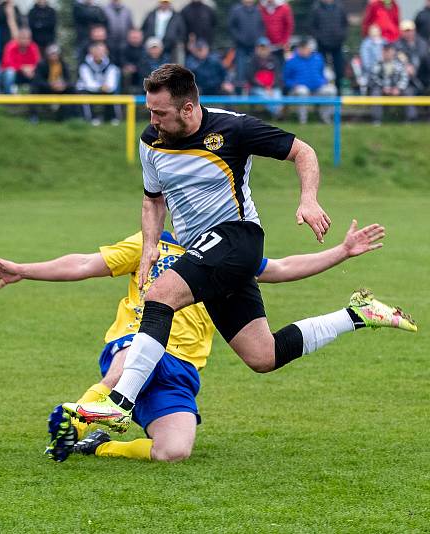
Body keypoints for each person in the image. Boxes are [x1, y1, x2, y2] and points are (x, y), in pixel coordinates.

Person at [58, 64, 410, 433]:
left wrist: (308, 199)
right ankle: (359, 314)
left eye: (160, 112)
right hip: (205, 252)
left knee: (160, 295)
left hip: (238, 236)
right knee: (263, 355)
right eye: (149, 111)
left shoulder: (233, 128)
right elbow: (152, 201)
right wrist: (149, 245)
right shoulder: (151, 142)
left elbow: (302, 151)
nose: (153, 119)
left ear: (189, 109)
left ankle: (120, 402)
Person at [0, 221, 408, 463]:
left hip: (181, 367)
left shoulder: (227, 258)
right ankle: (77, 419)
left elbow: (282, 266)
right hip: (135, 341)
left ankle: (98, 441)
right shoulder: (152, 244)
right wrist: (26, 269)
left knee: (174, 452)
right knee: (127, 360)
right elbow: (84, 263)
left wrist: (342, 251)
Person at [283, 39, 337, 124]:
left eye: (306, 48)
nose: (305, 50)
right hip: (298, 90)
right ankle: (303, 120)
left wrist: (324, 81)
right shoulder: (292, 60)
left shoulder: (318, 58)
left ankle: (325, 117)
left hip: (317, 88)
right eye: (302, 48)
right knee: (302, 91)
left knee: (331, 90)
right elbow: (286, 79)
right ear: (299, 49)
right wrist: (294, 85)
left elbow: (322, 74)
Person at [77, 42, 121, 125]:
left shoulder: (111, 65)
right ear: (91, 51)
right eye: (96, 50)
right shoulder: (84, 65)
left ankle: (113, 118)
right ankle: (91, 118)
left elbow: (112, 84)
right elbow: (88, 83)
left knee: (112, 93)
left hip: (104, 89)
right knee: (84, 95)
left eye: (102, 51)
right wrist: (100, 87)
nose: (99, 53)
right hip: (87, 89)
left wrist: (105, 87)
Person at [310, 0, 349, 94]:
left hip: (337, 45)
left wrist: (341, 36)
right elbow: (311, 26)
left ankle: (338, 96)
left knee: (339, 70)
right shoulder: (316, 8)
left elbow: (345, 24)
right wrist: (320, 38)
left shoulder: (340, 7)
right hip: (322, 45)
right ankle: (320, 96)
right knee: (320, 71)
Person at [370, 42, 413, 123]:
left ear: (393, 52)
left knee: (408, 91)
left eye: (389, 51)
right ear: (382, 52)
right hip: (382, 89)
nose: (387, 53)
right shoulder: (378, 64)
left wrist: (398, 88)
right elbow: (374, 77)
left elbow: (405, 77)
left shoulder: (399, 64)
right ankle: (376, 119)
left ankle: (410, 119)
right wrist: (384, 87)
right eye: (385, 51)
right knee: (375, 92)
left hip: (397, 89)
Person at [228, 0, 265, 94]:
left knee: (254, 70)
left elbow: (262, 26)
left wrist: (258, 38)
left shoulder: (258, 10)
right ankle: (238, 95)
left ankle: (253, 92)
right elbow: (231, 27)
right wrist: (239, 39)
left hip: (254, 46)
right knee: (240, 71)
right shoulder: (236, 10)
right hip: (241, 46)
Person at [30, 44, 74, 121]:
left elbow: (69, 80)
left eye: (55, 54)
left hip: (60, 89)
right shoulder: (41, 64)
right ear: (47, 55)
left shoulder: (63, 64)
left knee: (72, 90)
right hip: (45, 89)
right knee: (34, 89)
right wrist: (50, 85)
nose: (53, 56)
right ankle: (34, 116)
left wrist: (63, 85)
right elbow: (38, 80)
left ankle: (66, 117)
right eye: (51, 54)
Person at [248, 37, 283, 117]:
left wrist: (270, 87)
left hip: (273, 87)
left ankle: (276, 113)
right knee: (264, 95)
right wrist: (265, 87)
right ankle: (277, 113)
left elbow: (278, 76)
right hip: (258, 88)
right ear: (257, 48)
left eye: (265, 47)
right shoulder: (253, 60)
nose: (263, 49)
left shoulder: (274, 60)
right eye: (261, 47)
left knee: (277, 95)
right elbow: (250, 77)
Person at [0, 28, 40, 94]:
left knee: (37, 73)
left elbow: (37, 63)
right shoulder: (11, 46)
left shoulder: (33, 47)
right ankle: (8, 97)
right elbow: (7, 63)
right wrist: (22, 68)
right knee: (10, 73)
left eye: (27, 38)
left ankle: (34, 97)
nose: (25, 40)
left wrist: (31, 68)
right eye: (23, 38)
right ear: (18, 38)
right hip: (13, 73)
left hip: (28, 73)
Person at [360, 24, 385, 93]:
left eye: (376, 31)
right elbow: (366, 64)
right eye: (373, 32)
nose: (375, 33)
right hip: (370, 75)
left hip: (385, 74)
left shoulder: (385, 42)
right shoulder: (366, 44)